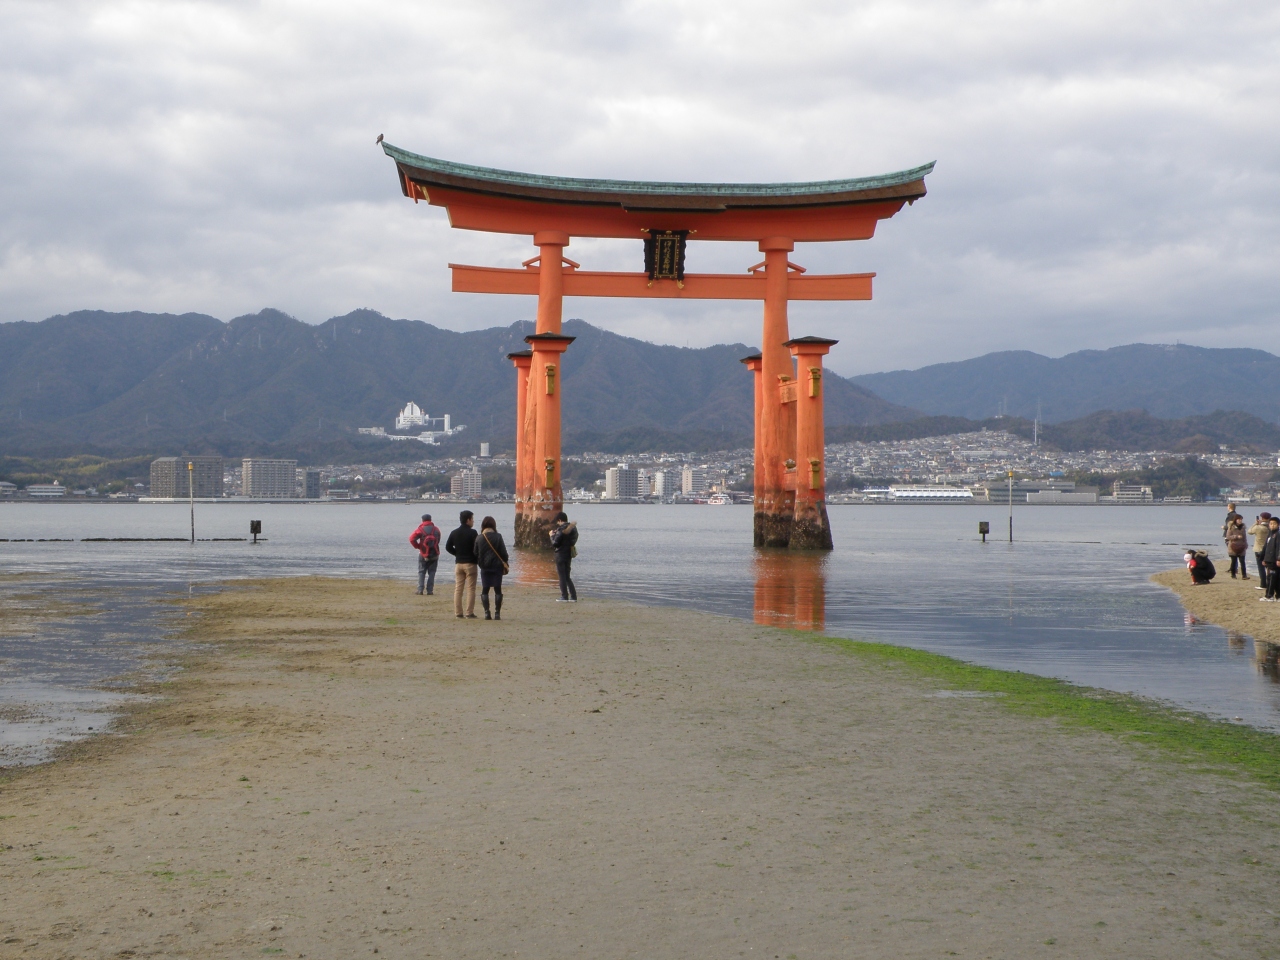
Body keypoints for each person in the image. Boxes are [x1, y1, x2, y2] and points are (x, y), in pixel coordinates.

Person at [445, 509, 479, 619]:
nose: (473, 521)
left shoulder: (454, 532)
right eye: (472, 519)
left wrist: (457, 554)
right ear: (468, 520)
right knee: (471, 589)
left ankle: (458, 612)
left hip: (459, 563)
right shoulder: (473, 533)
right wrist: (476, 557)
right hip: (470, 563)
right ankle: (469, 612)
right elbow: (477, 548)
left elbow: (448, 547)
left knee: (458, 589)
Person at [475, 516, 510, 621]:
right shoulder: (498, 537)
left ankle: (486, 613)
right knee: (497, 589)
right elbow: (504, 553)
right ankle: (497, 613)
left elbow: (475, 553)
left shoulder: (479, 538)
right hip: (497, 567)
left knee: (485, 589)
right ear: (494, 525)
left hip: (484, 567)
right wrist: (504, 561)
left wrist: (480, 562)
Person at [409, 513, 441, 595]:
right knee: (432, 572)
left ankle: (420, 590)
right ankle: (430, 590)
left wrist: (418, 546)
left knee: (421, 571)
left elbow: (411, 539)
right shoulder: (436, 529)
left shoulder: (420, 530)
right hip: (435, 554)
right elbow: (438, 539)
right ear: (430, 520)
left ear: (422, 520)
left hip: (423, 554)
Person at [549, 511, 578, 602]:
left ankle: (564, 596)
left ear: (560, 520)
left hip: (560, 554)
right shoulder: (573, 529)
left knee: (562, 576)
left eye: (558, 522)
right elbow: (573, 539)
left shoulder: (561, 529)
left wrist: (551, 535)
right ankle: (573, 596)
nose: (557, 523)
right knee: (567, 576)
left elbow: (555, 543)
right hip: (568, 553)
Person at [1249, 513, 1272, 589]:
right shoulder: (1270, 527)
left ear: (1262, 518)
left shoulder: (1259, 527)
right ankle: (1270, 582)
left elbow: (1250, 531)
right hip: (1269, 549)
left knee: (1260, 567)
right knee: (1268, 567)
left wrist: (1255, 523)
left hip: (1259, 548)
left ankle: (1263, 584)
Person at [1226, 516, 1250, 580]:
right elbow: (1228, 537)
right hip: (1233, 547)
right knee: (1234, 561)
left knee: (1242, 561)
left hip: (1242, 547)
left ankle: (1244, 575)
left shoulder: (1243, 527)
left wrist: (1246, 544)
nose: (1240, 521)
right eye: (1238, 519)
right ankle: (1233, 574)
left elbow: (1244, 537)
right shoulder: (1231, 527)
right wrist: (1236, 536)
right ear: (1235, 520)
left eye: (1241, 519)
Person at [1263, 517, 1280, 602]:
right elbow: (1266, 547)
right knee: (1271, 577)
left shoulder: (1278, 534)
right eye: (1271, 524)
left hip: (1274, 560)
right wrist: (1263, 558)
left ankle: (1270, 596)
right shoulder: (1270, 534)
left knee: (1272, 578)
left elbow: (1278, 548)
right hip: (1269, 559)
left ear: (1278, 525)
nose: (1272, 525)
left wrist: (1278, 559)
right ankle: (1275, 596)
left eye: (1274, 524)